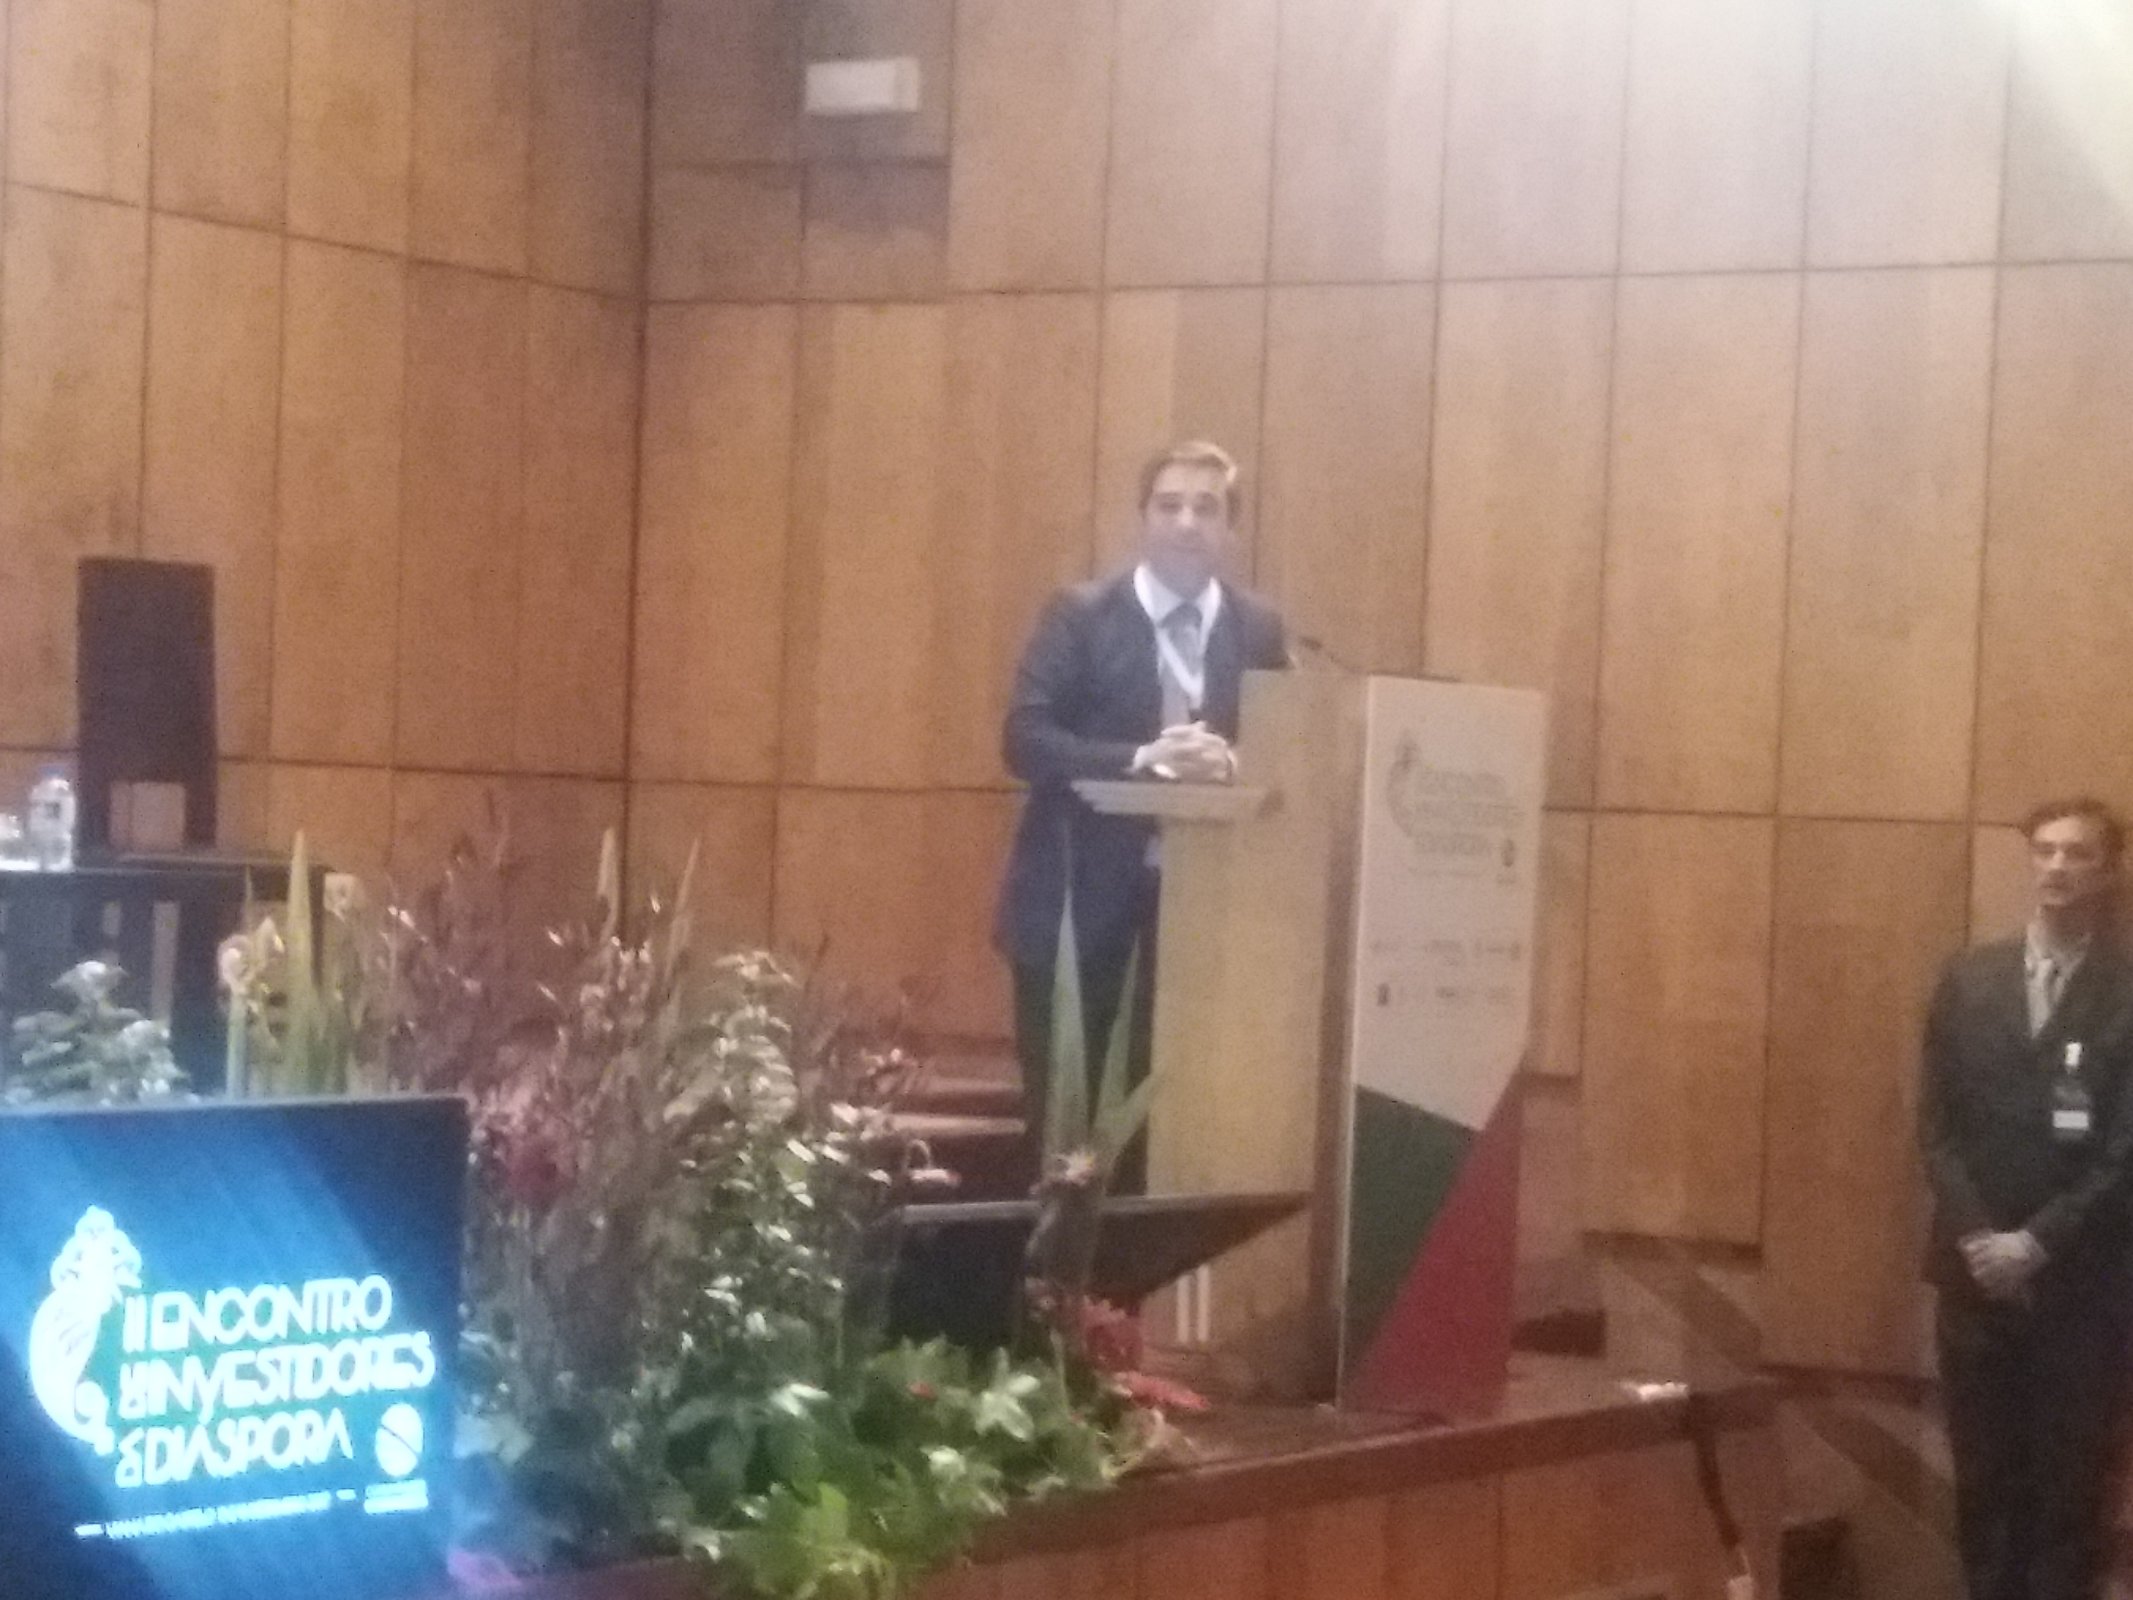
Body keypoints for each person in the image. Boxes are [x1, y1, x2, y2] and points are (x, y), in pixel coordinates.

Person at [993, 442, 1288, 1190]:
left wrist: (1234, 764)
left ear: (1230, 529)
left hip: (1207, 932)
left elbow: (1290, 753)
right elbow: (1024, 739)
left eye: (1206, 508)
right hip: (1076, 922)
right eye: (1169, 505)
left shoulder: (1258, 630)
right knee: (1070, 1156)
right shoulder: (1081, 616)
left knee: (1178, 1146)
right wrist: (1142, 759)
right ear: (1142, 518)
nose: (1186, 522)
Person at [1919, 797, 2133, 1600]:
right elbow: (1934, 1125)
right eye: (2043, 850)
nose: (2056, 867)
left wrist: (2034, 1244)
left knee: (2066, 1492)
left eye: (2077, 853)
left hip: (2080, 1284)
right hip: (1973, 1279)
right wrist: (1983, 1240)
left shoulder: (2125, 991)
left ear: (2109, 870)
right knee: (1982, 1482)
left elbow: (2124, 1151)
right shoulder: (1967, 978)